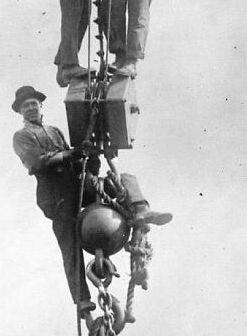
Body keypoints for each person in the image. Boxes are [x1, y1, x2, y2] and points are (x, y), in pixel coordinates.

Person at [11, 85, 172, 312]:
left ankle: (141, 210)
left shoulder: (54, 131)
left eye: (33, 104)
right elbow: (38, 162)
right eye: (25, 106)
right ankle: (82, 299)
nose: (30, 108)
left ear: (40, 106)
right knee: (70, 247)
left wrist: (90, 156)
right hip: (57, 197)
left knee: (124, 179)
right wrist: (72, 154)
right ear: (20, 111)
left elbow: (76, 162)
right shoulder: (22, 137)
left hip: (77, 186)